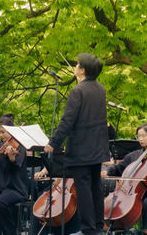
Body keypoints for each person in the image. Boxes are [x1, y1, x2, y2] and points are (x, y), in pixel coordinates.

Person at [45, 53, 109, 235]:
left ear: (82, 70)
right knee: (95, 186)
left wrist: (54, 142)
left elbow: (68, 120)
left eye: (77, 64)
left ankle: (88, 228)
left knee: (83, 188)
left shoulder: (78, 91)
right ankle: (98, 225)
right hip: (98, 147)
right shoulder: (101, 89)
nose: (75, 67)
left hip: (82, 148)